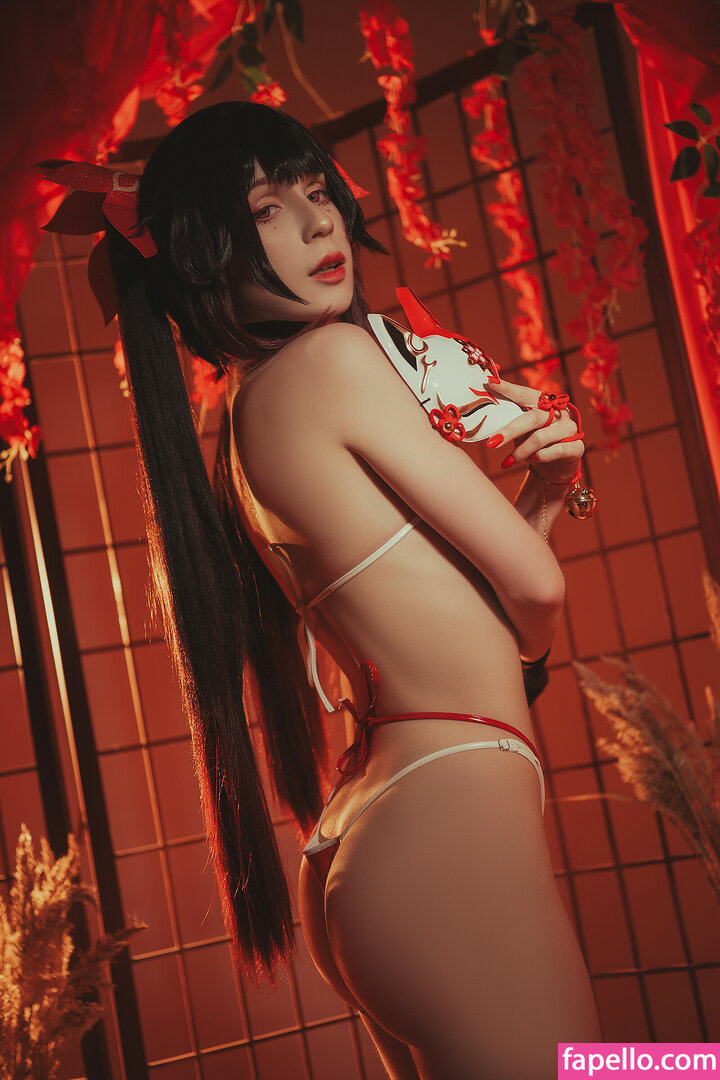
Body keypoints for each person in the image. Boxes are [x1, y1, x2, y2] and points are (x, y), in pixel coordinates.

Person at [39, 100, 602, 1079]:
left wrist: (545, 494)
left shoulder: (245, 419)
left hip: (373, 832)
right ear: (206, 255)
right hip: (447, 824)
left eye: (316, 190)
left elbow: (460, 609)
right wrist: (539, 570)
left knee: (617, 1067)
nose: (316, 222)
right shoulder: (336, 359)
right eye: (266, 208)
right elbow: (532, 591)